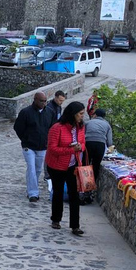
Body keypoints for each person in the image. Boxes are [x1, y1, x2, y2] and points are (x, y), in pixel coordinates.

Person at [46, 101, 86, 236]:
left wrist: (81, 147)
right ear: (73, 114)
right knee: (58, 193)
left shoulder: (81, 127)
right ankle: (56, 219)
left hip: (73, 165)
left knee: (74, 195)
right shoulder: (57, 128)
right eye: (80, 114)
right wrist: (70, 150)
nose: (82, 116)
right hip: (57, 165)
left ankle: (75, 226)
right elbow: (52, 148)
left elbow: (83, 143)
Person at [14, 91, 54, 202]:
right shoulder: (26, 112)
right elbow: (18, 127)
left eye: (45, 101)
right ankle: (33, 193)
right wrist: (25, 139)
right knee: (31, 168)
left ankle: (31, 189)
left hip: (43, 147)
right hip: (29, 146)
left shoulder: (50, 113)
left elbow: (52, 128)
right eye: (41, 101)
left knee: (37, 170)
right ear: (35, 99)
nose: (43, 103)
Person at [84, 108, 113, 183]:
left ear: (95, 115)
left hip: (88, 144)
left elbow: (82, 135)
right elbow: (109, 142)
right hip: (100, 145)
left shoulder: (88, 123)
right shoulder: (107, 125)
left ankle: (84, 185)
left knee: (86, 164)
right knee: (96, 165)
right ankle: (92, 185)